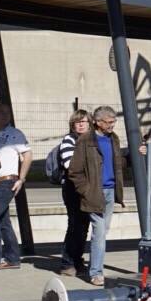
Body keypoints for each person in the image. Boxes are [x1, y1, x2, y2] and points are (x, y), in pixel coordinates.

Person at [67, 105, 127, 288]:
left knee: (102, 232)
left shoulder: (113, 139)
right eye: (109, 122)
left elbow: (118, 163)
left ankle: (95, 269)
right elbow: (75, 172)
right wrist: (87, 190)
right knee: (99, 232)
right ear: (98, 122)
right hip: (95, 193)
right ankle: (96, 273)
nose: (112, 125)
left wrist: (133, 157)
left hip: (110, 191)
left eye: (114, 122)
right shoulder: (85, 141)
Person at [0, 102, 30, 271]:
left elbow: (27, 156)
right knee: (3, 221)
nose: (5, 115)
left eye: (7, 112)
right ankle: (12, 257)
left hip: (6, 181)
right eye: (1, 112)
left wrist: (20, 179)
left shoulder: (14, 134)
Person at [54, 109, 92, 277]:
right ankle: (67, 263)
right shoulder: (69, 140)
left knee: (84, 226)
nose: (81, 124)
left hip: (88, 188)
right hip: (72, 188)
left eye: (84, 121)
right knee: (74, 225)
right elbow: (71, 165)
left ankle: (77, 260)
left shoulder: (93, 140)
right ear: (72, 125)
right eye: (77, 122)